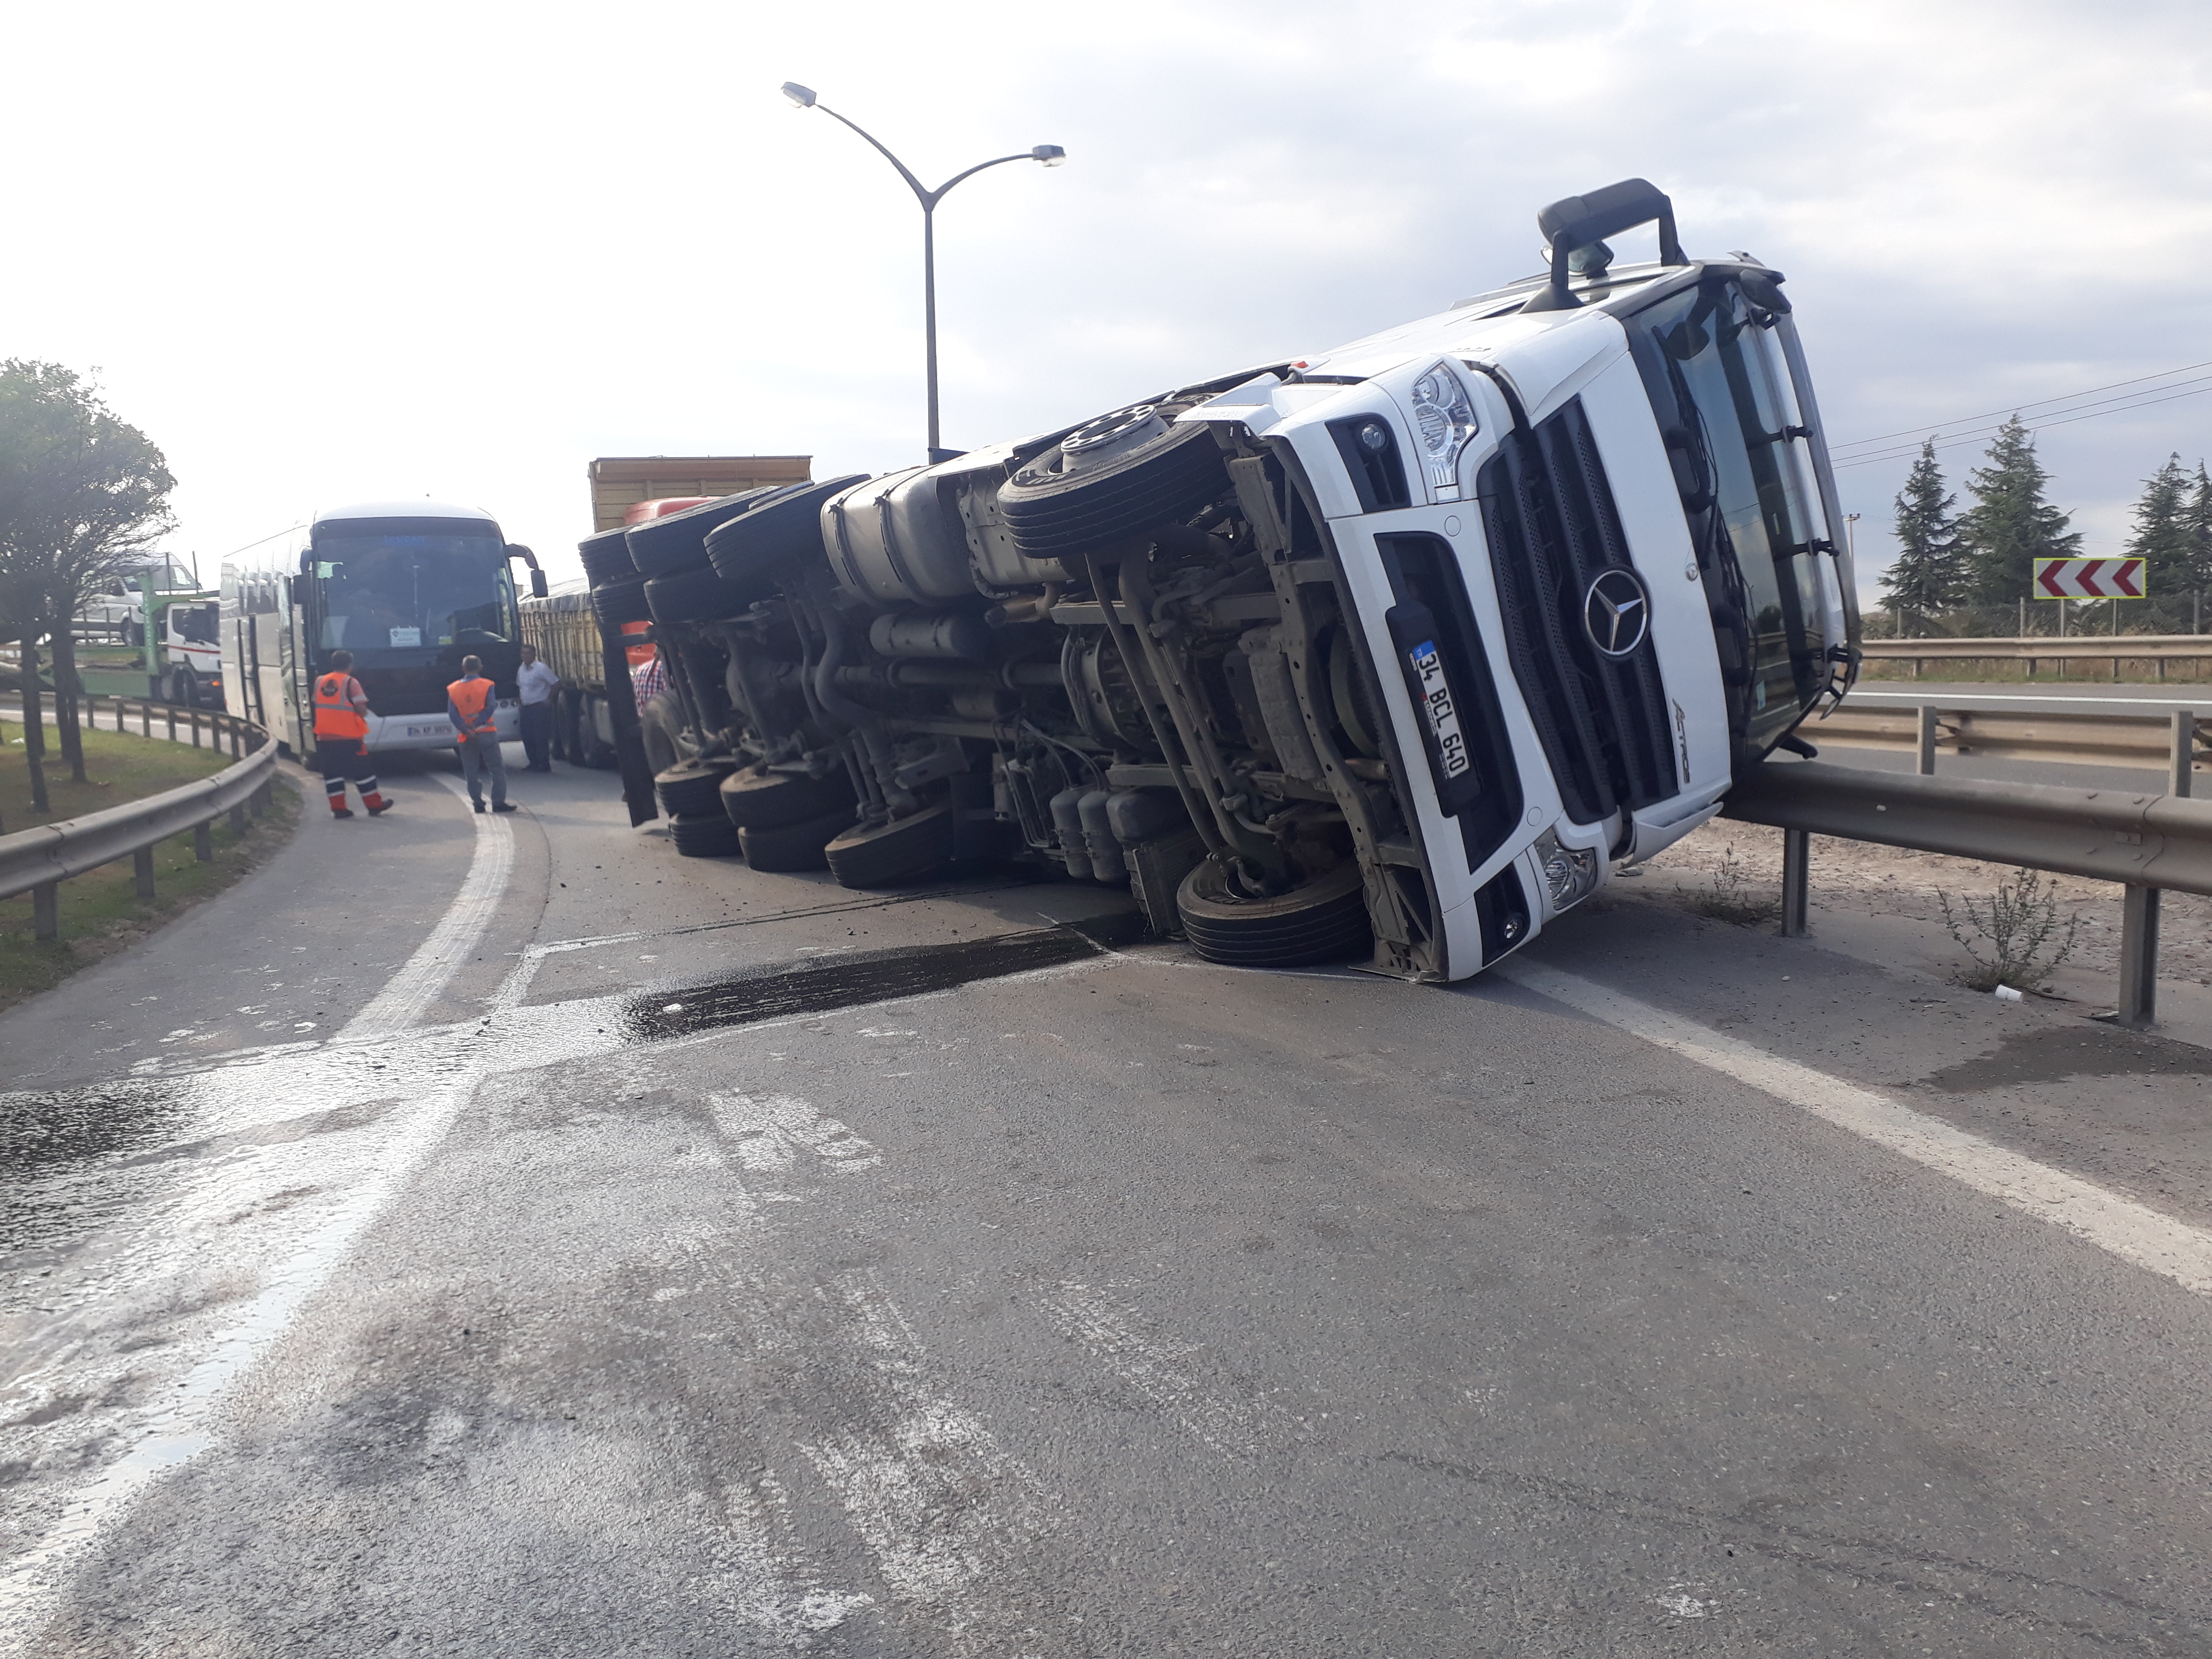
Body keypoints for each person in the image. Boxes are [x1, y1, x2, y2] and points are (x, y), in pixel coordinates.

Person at [311, 649, 391, 819]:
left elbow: (318, 703)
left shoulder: (319, 682)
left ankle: (339, 809)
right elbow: (361, 709)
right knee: (364, 773)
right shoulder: (350, 683)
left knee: (333, 775)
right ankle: (374, 805)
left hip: (325, 737)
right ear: (350, 665)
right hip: (349, 737)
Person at [447, 654, 515, 813]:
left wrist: (465, 728)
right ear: (480, 668)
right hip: (486, 733)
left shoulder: (453, 688)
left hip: (465, 736)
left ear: (463, 668)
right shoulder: (487, 684)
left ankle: (478, 804)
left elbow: (452, 713)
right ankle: (498, 803)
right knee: (496, 769)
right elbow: (491, 707)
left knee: (471, 771)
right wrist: (477, 724)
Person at [515, 641, 559, 773]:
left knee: (540, 737)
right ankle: (533, 763)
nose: (525, 656)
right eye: (523, 653)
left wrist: (549, 700)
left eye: (528, 653)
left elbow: (556, 683)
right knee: (527, 736)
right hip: (526, 708)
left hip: (539, 707)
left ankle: (544, 764)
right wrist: (520, 703)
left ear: (534, 654)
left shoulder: (541, 668)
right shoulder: (521, 669)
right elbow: (520, 687)